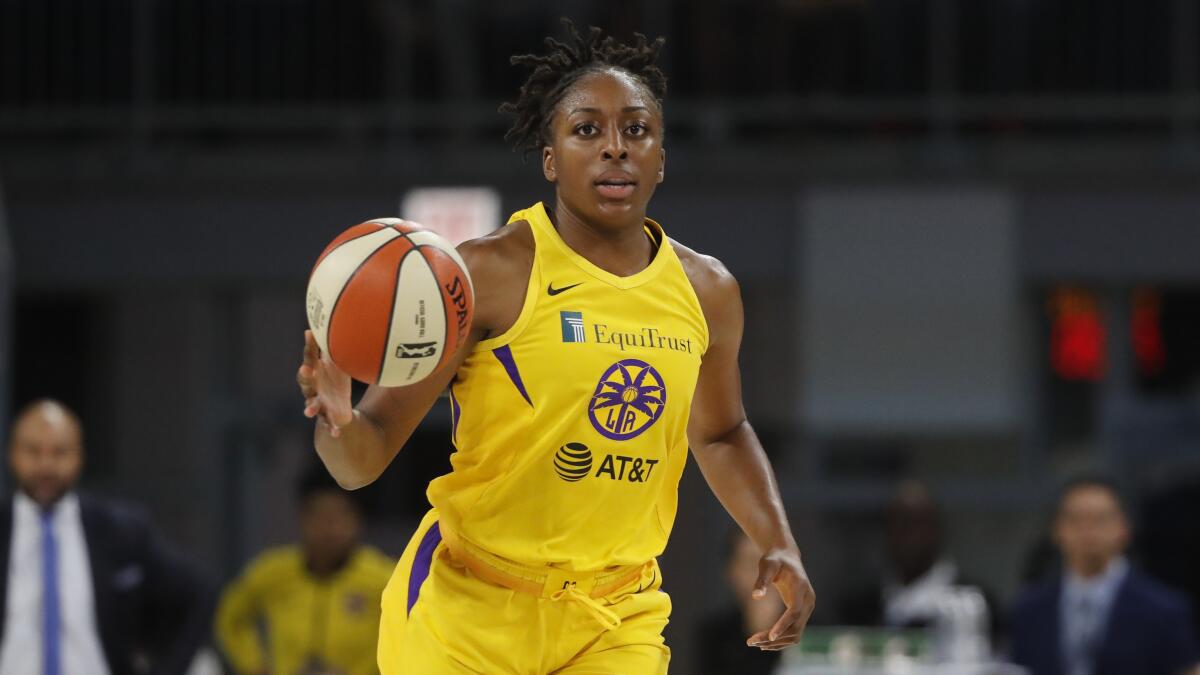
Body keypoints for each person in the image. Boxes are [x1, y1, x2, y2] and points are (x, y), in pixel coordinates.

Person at [297, 20, 816, 674]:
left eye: (636, 129)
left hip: (614, 614)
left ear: (661, 155)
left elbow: (720, 432)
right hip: (471, 604)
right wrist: (339, 420)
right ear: (550, 157)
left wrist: (780, 540)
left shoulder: (707, 290)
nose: (615, 149)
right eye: (586, 130)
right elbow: (361, 457)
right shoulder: (481, 275)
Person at [0, 399, 212, 675]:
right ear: (12, 453)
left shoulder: (119, 530)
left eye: (60, 452)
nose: (46, 465)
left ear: (80, 455)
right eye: (33, 451)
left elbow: (199, 594)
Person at [1009, 475, 1200, 675]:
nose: (1088, 531)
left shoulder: (1164, 610)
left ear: (1123, 528)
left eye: (1100, 520)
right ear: (1057, 529)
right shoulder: (1029, 611)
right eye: (1076, 519)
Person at [215, 465, 393, 675]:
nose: (329, 529)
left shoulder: (383, 578)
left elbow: (412, 634)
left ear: (356, 521)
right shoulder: (273, 573)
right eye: (320, 517)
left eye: (339, 517)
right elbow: (231, 617)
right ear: (302, 519)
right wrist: (253, 665)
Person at [838, 481, 996, 634]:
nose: (905, 536)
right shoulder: (862, 607)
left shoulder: (973, 600)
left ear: (937, 531)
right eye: (896, 524)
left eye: (914, 524)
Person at [697, 529, 788, 675]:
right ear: (732, 572)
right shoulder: (715, 637)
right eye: (752, 564)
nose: (765, 576)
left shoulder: (821, 632)